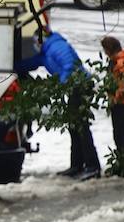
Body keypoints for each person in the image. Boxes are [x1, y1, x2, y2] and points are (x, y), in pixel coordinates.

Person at [15, 27, 101, 180]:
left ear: (43, 39)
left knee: (81, 127)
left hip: (80, 86)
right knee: (74, 127)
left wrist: (61, 86)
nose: (35, 44)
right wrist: (13, 66)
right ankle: (77, 165)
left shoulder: (57, 46)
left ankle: (93, 167)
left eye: (36, 41)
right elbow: (32, 63)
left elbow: (70, 65)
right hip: (72, 87)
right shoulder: (45, 52)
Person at [101, 35, 124, 177]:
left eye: (105, 49)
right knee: (119, 135)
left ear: (109, 49)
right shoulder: (119, 60)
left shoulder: (120, 63)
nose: (104, 53)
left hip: (122, 103)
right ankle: (121, 164)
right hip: (121, 103)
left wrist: (116, 97)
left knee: (120, 136)